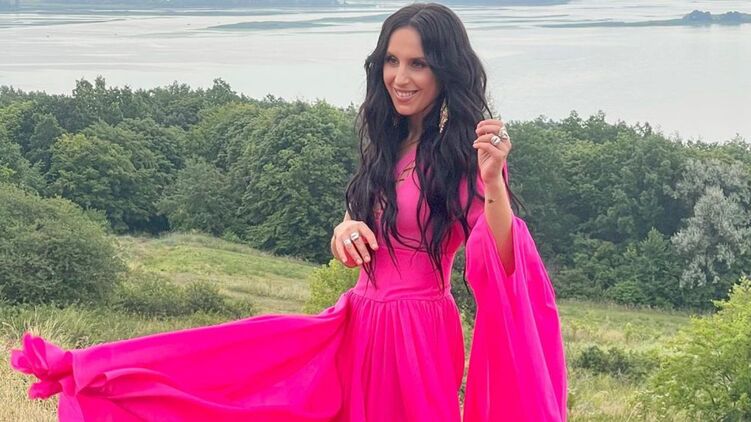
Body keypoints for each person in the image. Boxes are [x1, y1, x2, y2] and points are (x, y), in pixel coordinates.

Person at [10, 3, 567, 421]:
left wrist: (492, 182)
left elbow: (502, 260)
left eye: (418, 64)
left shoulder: (467, 155)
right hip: (358, 323)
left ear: (445, 71)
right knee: (232, 373)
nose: (400, 78)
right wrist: (344, 232)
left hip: (417, 334)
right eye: (392, 61)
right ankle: (96, 376)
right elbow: (365, 228)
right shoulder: (387, 142)